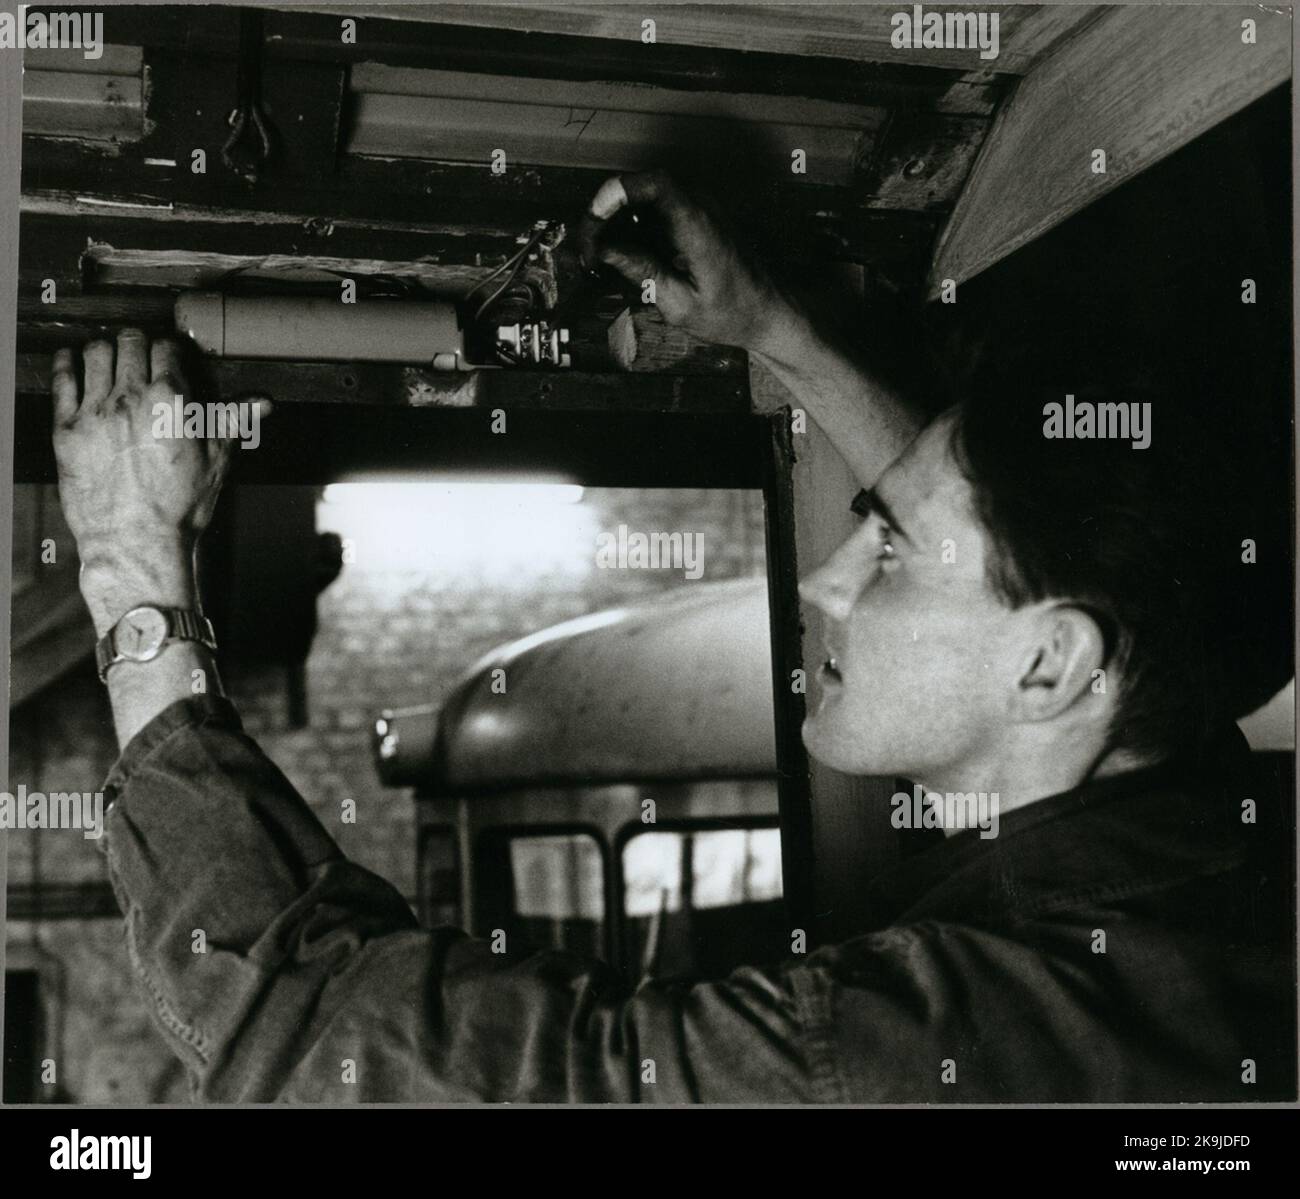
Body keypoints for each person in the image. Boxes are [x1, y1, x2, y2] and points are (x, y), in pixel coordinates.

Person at [51, 171, 1293, 1102]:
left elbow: (329, 1052)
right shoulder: (1212, 866)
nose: (825, 580)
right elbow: (1001, 561)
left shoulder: (916, 1050)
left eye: (889, 553)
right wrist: (781, 333)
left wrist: (128, 570)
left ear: (1051, 665)